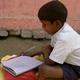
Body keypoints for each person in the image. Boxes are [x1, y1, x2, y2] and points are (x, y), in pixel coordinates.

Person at [21, 0, 80, 80]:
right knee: (47, 49)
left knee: (43, 69)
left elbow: (49, 62)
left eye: (44, 24)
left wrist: (46, 52)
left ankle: (74, 76)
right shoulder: (60, 30)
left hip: (76, 68)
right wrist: (31, 54)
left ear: (57, 23)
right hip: (68, 61)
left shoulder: (64, 38)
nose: (42, 27)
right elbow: (50, 47)